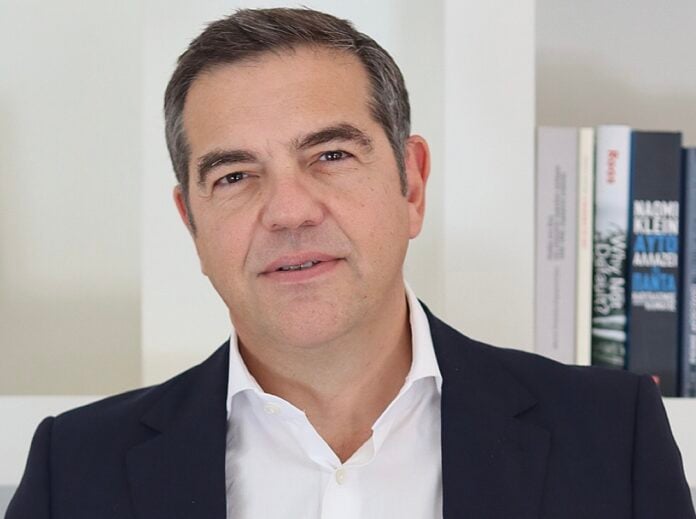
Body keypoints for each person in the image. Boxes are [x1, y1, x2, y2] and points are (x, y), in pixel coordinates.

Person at [6, 7, 695, 519]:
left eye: (330, 155)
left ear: (411, 184)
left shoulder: (613, 438)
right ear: (191, 221)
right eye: (235, 176)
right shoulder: (75, 472)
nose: (289, 211)